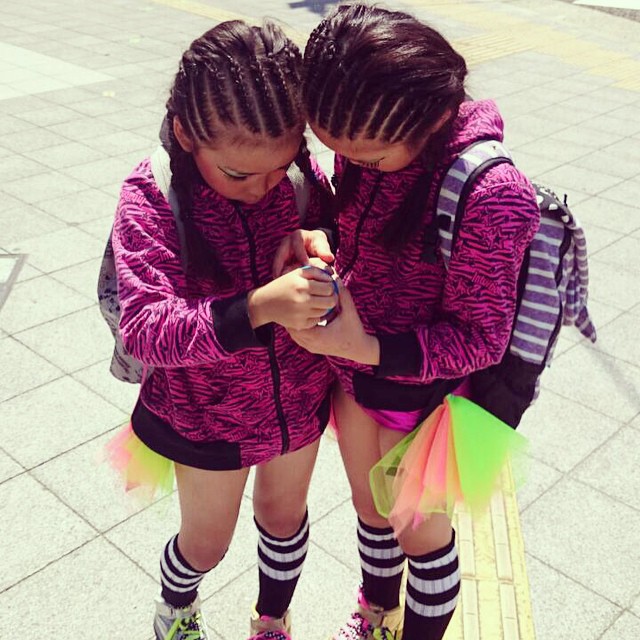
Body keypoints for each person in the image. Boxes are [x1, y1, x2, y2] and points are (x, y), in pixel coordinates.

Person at [275, 4, 541, 640]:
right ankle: (376, 614)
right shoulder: (370, 138)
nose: (351, 164)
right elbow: (348, 217)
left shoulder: (490, 193)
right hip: (356, 373)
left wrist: (368, 346)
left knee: (420, 535)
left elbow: (481, 339)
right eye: (340, 152)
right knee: (372, 511)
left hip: (424, 397)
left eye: (367, 158)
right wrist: (320, 234)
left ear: (426, 118)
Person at [109, 20, 338, 640]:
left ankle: (272, 619)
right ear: (185, 133)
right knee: (206, 543)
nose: (263, 189)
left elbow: (339, 230)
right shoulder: (152, 196)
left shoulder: (296, 179)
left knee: (284, 519)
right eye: (238, 174)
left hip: (298, 396)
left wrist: (321, 239)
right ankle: (175, 607)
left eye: (279, 168)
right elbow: (145, 328)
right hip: (206, 416)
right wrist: (256, 308)